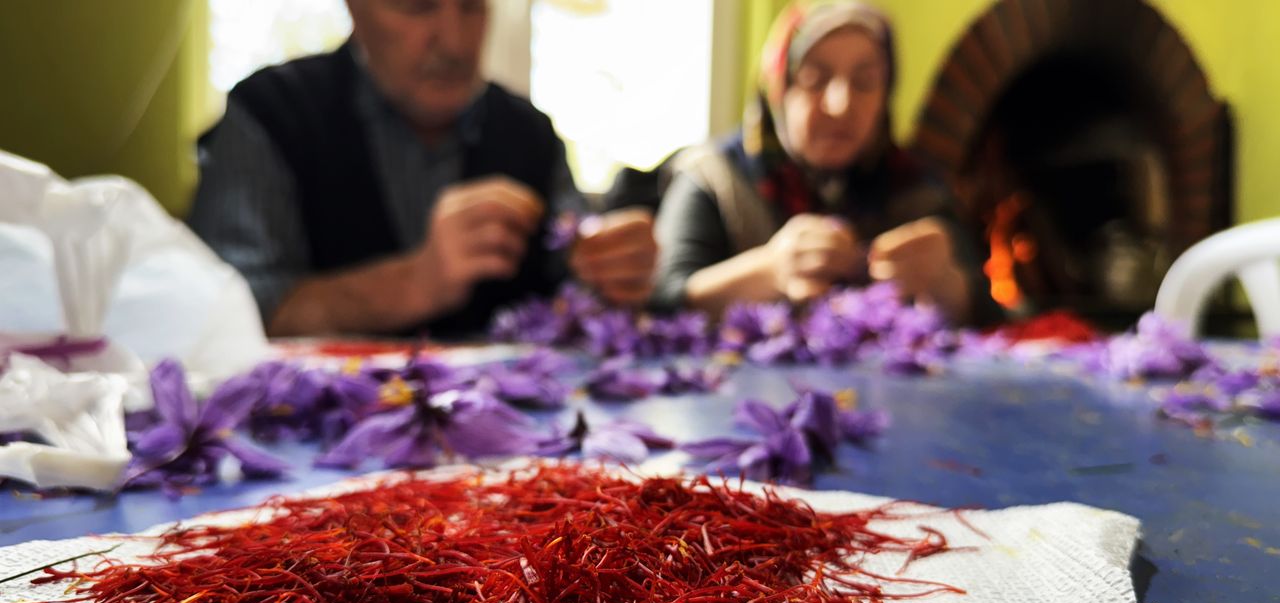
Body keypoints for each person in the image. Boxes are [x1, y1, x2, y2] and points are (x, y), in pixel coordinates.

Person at [188, 0, 657, 338]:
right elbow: (225, 318)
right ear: (354, 9)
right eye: (417, 6)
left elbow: (574, 275)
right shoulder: (270, 114)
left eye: (472, 6)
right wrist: (413, 283)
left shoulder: (530, 132)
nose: (454, 42)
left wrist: (611, 268)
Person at [651, 0, 995, 324]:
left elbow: (992, 308)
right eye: (815, 79)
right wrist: (770, 271)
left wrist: (945, 283)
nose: (840, 105)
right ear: (780, 88)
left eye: (865, 83)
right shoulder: (716, 177)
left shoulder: (914, 187)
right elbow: (662, 301)